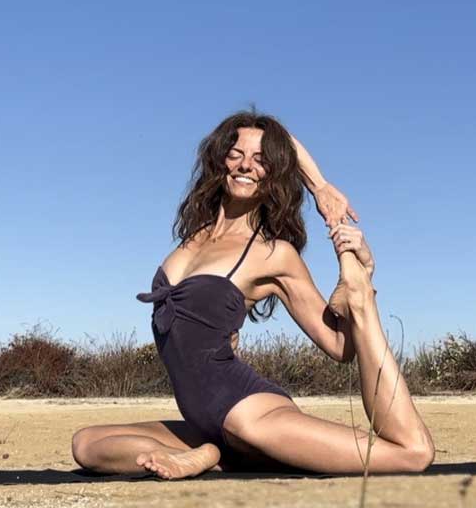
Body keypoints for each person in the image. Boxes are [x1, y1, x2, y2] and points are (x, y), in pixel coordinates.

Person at [71, 110, 434, 478]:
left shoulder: (273, 253)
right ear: (219, 160)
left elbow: (341, 347)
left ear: (275, 173)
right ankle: (210, 453)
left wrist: (321, 188)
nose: (246, 165)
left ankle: (359, 295)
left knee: (412, 454)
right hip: (204, 423)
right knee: (86, 443)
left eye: (262, 160)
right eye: (236, 154)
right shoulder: (192, 240)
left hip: (252, 413)